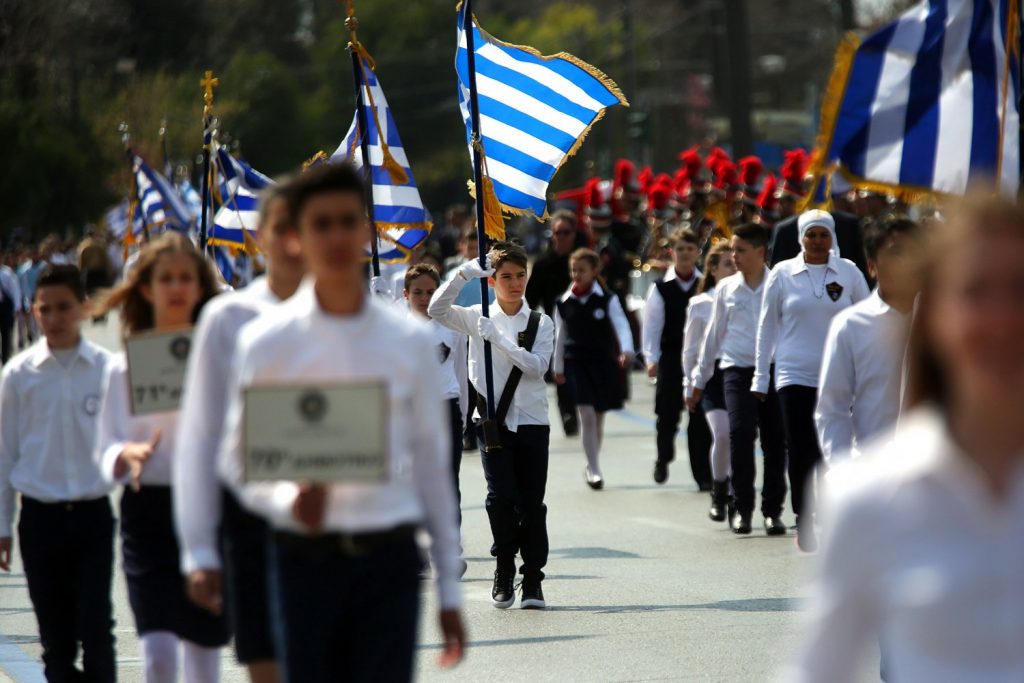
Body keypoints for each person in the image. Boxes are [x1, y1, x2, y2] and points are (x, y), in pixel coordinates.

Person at [221, 163, 465, 681]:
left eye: (346, 222)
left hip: (388, 561)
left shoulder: (408, 342)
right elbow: (239, 458)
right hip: (302, 561)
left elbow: (431, 469)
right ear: (298, 236)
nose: (334, 236)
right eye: (320, 223)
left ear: (364, 231)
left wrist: (448, 588)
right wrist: (286, 497)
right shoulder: (267, 342)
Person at [787, 197, 1024, 682]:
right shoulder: (868, 499)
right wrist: (844, 465)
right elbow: (817, 672)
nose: (1001, 318)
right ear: (940, 316)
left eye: (1019, 289)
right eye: (977, 293)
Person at [173, 184, 305, 683]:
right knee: (267, 663)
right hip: (252, 519)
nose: (294, 244)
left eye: (304, 229)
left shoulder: (357, 317)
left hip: (337, 519)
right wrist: (200, 549)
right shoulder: (228, 318)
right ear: (261, 238)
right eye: (282, 230)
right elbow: (201, 437)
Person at [94, 232, 227, 682]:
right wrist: (124, 453)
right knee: (158, 656)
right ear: (147, 288)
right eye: (164, 278)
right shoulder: (122, 366)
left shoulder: (223, 359)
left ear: (199, 287)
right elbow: (104, 448)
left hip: (210, 513)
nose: (175, 287)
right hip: (147, 515)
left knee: (202, 658)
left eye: (185, 278)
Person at [0, 264, 116, 682]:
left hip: (92, 516)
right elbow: (5, 454)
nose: (53, 319)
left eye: (63, 308)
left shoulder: (108, 369)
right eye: (44, 309)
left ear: (82, 309)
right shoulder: (18, 375)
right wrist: (3, 525)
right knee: (57, 641)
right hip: (40, 519)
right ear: (33, 310)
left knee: (97, 631)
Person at [430, 240, 554, 610]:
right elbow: (436, 308)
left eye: (520, 276)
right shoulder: (475, 314)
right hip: (491, 422)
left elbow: (536, 367)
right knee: (500, 499)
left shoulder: (540, 322)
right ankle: (503, 568)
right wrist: (466, 272)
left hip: (532, 420)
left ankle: (532, 577)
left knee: (531, 503)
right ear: (492, 281)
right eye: (505, 277)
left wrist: (497, 340)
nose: (515, 283)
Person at [753, 210, 870, 552]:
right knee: (800, 448)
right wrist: (762, 376)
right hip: (793, 374)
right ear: (800, 238)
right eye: (811, 235)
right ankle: (804, 517)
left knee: (830, 450)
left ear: (832, 237)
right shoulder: (782, 273)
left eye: (823, 235)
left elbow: (866, 317)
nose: (817, 241)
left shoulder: (848, 272)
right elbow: (767, 326)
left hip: (838, 375)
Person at [691, 224, 788, 536]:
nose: (734, 256)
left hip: (775, 370)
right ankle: (741, 508)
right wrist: (699, 379)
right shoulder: (726, 288)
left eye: (741, 250)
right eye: (732, 249)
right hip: (736, 370)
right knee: (740, 434)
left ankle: (772, 511)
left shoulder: (781, 284)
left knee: (775, 441)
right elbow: (713, 335)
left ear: (761, 252)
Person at [815, 216, 922, 463]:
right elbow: (832, 409)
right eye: (896, 253)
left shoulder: (947, 322)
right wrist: (841, 470)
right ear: (872, 266)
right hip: (872, 469)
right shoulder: (851, 326)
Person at [552, 248, 634, 490]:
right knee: (585, 414)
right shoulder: (563, 302)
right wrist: (557, 367)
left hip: (602, 362)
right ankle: (594, 469)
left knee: (597, 419)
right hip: (576, 363)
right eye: (573, 270)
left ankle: (591, 462)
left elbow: (621, 324)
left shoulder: (607, 299)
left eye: (582, 270)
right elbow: (559, 336)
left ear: (594, 271)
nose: (576, 274)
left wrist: (627, 350)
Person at [403, 263, 469, 562]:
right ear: (405, 294)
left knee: (447, 481)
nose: (424, 298)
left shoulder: (452, 328)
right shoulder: (397, 330)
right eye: (417, 292)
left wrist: (465, 416)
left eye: (430, 292)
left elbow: (461, 372)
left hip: (445, 408)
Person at [641, 228, 709, 487]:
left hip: (698, 359)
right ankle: (663, 457)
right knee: (668, 415)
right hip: (671, 358)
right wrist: (651, 357)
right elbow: (652, 325)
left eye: (689, 249)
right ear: (672, 252)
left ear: (697, 252)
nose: (684, 254)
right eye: (680, 249)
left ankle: (703, 475)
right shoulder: (661, 288)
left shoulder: (704, 286)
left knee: (699, 418)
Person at [682, 241, 737, 521]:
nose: (734, 268)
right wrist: (690, 384)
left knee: (740, 437)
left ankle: (738, 493)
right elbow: (691, 349)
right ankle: (719, 490)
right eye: (727, 263)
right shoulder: (701, 303)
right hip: (711, 376)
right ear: (713, 270)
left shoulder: (747, 297)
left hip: (740, 371)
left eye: (736, 262)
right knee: (722, 433)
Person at [526, 210, 580, 437]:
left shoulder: (583, 260)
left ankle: (584, 409)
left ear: (574, 234)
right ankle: (567, 413)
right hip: (555, 328)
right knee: (562, 372)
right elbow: (530, 300)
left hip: (585, 326)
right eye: (558, 232)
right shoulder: (542, 264)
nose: (562, 237)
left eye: (566, 232)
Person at [0, 255, 23, 365]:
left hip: (5, 307)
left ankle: (6, 358)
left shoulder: (7, 273)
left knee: (6, 333)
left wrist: (17, 306)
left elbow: (15, 290)